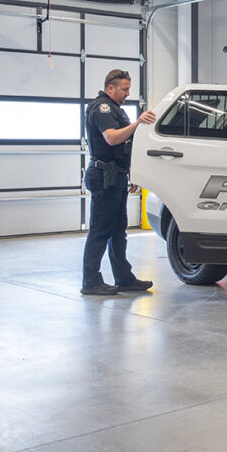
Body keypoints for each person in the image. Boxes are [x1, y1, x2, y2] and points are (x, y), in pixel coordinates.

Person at [81, 69, 156, 295]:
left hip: (116, 176)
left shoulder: (114, 109)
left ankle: (124, 278)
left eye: (129, 88)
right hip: (104, 177)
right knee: (100, 231)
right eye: (124, 89)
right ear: (110, 87)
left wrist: (130, 172)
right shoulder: (102, 108)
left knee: (117, 231)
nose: (127, 93)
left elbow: (124, 146)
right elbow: (112, 138)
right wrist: (137, 123)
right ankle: (91, 282)